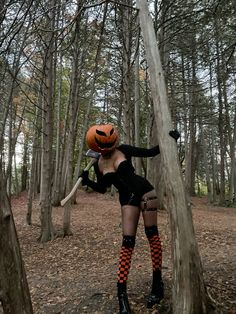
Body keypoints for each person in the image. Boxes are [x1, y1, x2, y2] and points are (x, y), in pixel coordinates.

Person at [81, 124, 180, 314]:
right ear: (95, 144)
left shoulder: (124, 149)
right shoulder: (97, 164)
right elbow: (102, 188)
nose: (108, 140)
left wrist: (171, 139)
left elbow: (151, 152)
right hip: (127, 199)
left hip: (145, 192)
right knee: (127, 243)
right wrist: (87, 181)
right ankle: (122, 297)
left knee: (152, 236)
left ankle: (157, 285)